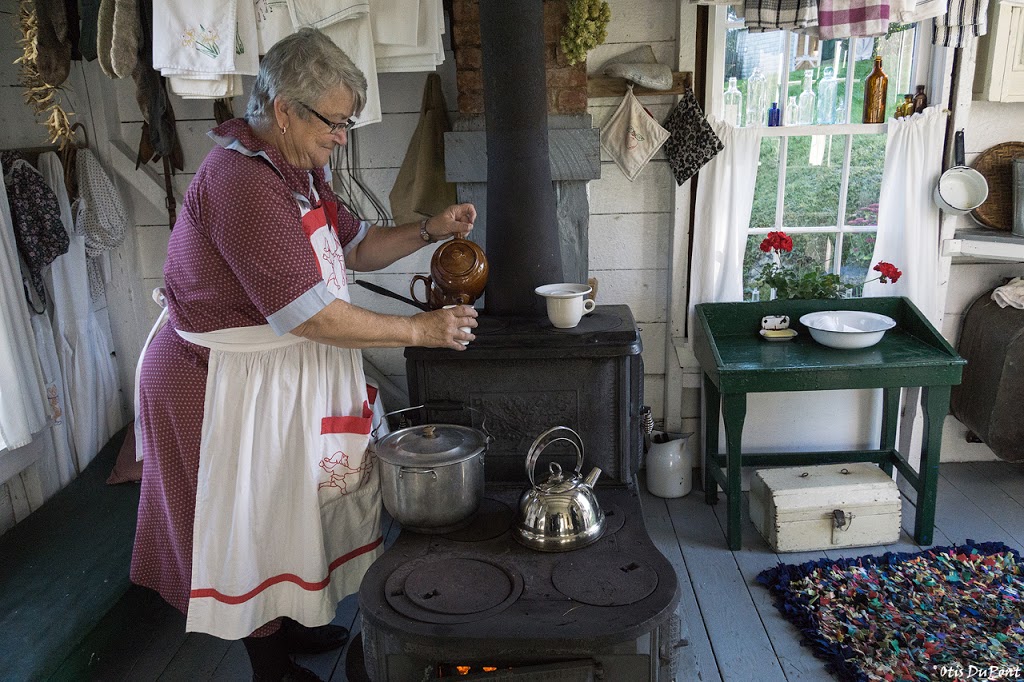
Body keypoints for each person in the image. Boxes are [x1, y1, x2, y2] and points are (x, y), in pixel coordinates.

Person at [130, 28, 478, 681]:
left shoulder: (300, 172)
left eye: (347, 122)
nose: (342, 136)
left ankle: (288, 630)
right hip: (216, 384)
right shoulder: (239, 179)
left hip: (273, 377)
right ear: (285, 109)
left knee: (286, 510)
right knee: (251, 525)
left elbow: (358, 246)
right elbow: (308, 313)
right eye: (335, 121)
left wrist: (431, 227)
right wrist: (421, 331)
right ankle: (270, 666)